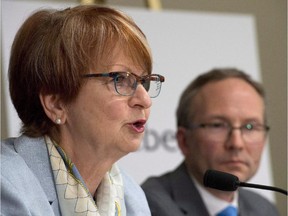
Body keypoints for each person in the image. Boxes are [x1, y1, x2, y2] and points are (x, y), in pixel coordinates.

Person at [1, 5, 165, 216]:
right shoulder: (6, 186)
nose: (144, 100)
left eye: (144, 81)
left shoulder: (131, 198)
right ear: (56, 103)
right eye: (121, 79)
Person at [142, 68, 279, 216]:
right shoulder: (149, 206)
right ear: (184, 140)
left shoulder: (264, 209)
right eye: (217, 125)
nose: (237, 143)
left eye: (250, 127)